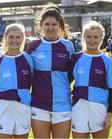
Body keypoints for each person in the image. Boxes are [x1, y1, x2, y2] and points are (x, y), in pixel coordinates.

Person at [27, 3, 74, 138]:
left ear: (60, 25)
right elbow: (28, 74)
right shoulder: (33, 46)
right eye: (47, 24)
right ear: (41, 26)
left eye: (54, 24)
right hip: (39, 104)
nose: (50, 27)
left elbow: (71, 74)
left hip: (63, 104)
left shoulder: (68, 46)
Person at [71, 21, 112, 138]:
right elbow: (64, 82)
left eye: (96, 37)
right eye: (88, 36)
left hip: (100, 110)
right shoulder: (75, 58)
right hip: (78, 108)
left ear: (101, 38)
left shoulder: (107, 61)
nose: (92, 40)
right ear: (83, 37)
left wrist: (109, 116)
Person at [0, 23, 33, 138]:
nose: (14, 40)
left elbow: (33, 86)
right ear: (5, 38)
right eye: (11, 37)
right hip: (2, 108)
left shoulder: (29, 59)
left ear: (23, 38)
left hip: (23, 108)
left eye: (18, 37)